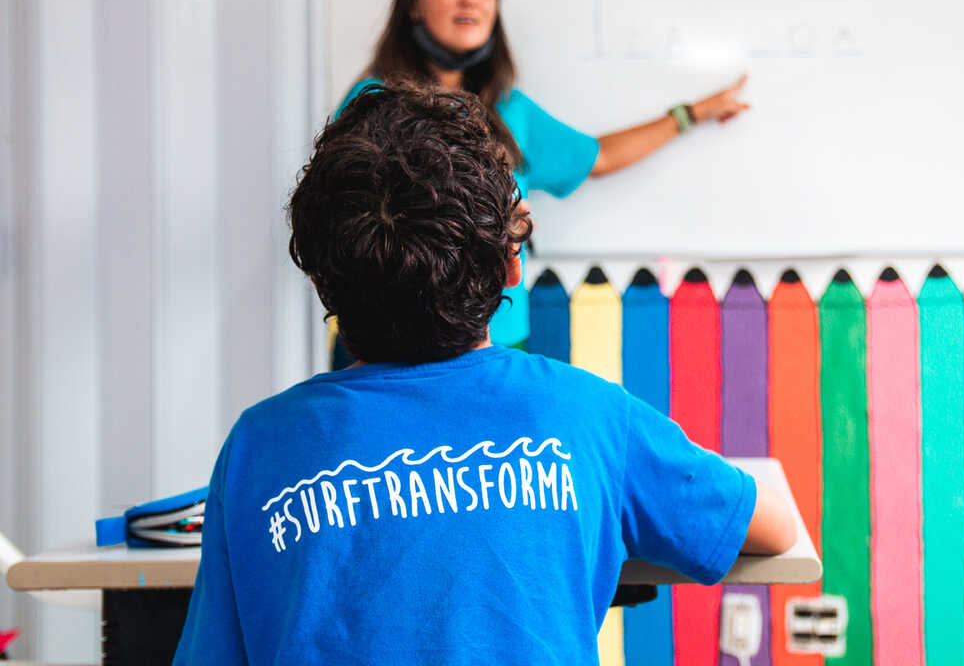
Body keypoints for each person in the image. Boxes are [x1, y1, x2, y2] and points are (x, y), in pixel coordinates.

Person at [173, 83, 795, 664]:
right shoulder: (588, 414)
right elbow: (772, 528)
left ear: (318, 276)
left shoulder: (259, 444)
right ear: (511, 267)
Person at [334, 0, 751, 350]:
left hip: (494, 341)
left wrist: (691, 114)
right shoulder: (373, 102)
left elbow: (599, 157)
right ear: (414, 3)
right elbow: (343, 226)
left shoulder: (509, 111)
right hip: (390, 345)